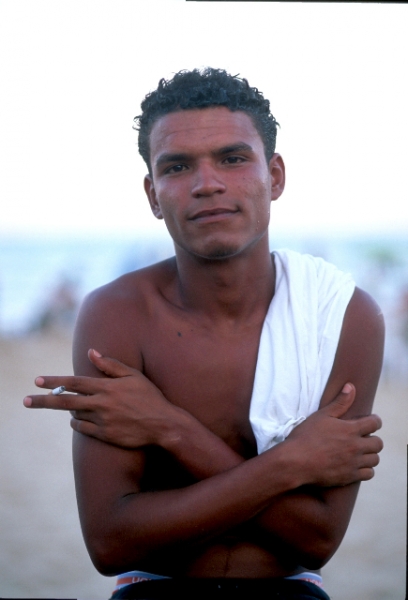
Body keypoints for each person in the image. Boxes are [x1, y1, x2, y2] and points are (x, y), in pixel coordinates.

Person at [24, 68, 384, 600]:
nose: (207, 183)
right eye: (177, 166)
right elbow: (110, 542)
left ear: (275, 176)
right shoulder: (119, 315)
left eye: (233, 158)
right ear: (153, 194)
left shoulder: (340, 315)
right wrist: (290, 464)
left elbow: (316, 540)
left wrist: (167, 426)